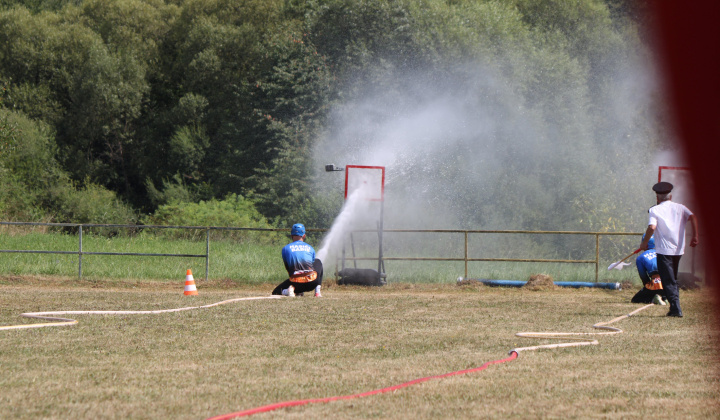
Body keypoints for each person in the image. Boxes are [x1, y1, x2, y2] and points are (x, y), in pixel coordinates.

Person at [638, 182, 699, 317]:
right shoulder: (681, 207)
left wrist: (644, 243)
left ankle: (676, 309)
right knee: (672, 278)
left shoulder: (655, 210)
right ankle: (674, 306)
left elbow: (652, 227)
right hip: (678, 250)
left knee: (668, 280)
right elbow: (693, 217)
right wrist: (695, 236)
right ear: (670, 196)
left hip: (664, 251)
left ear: (657, 198)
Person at [272, 223, 323, 297]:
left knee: (276, 291)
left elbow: (289, 269)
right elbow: (311, 266)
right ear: (304, 236)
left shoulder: (285, 249)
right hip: (312, 283)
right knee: (318, 261)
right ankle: (317, 292)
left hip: (296, 283)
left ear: (291, 236)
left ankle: (289, 291)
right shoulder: (310, 248)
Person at [632, 234, 667, 305]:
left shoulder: (640, 258)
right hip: (667, 283)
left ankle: (653, 298)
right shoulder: (662, 253)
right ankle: (665, 298)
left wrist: (647, 288)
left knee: (635, 299)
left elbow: (644, 277)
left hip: (656, 284)